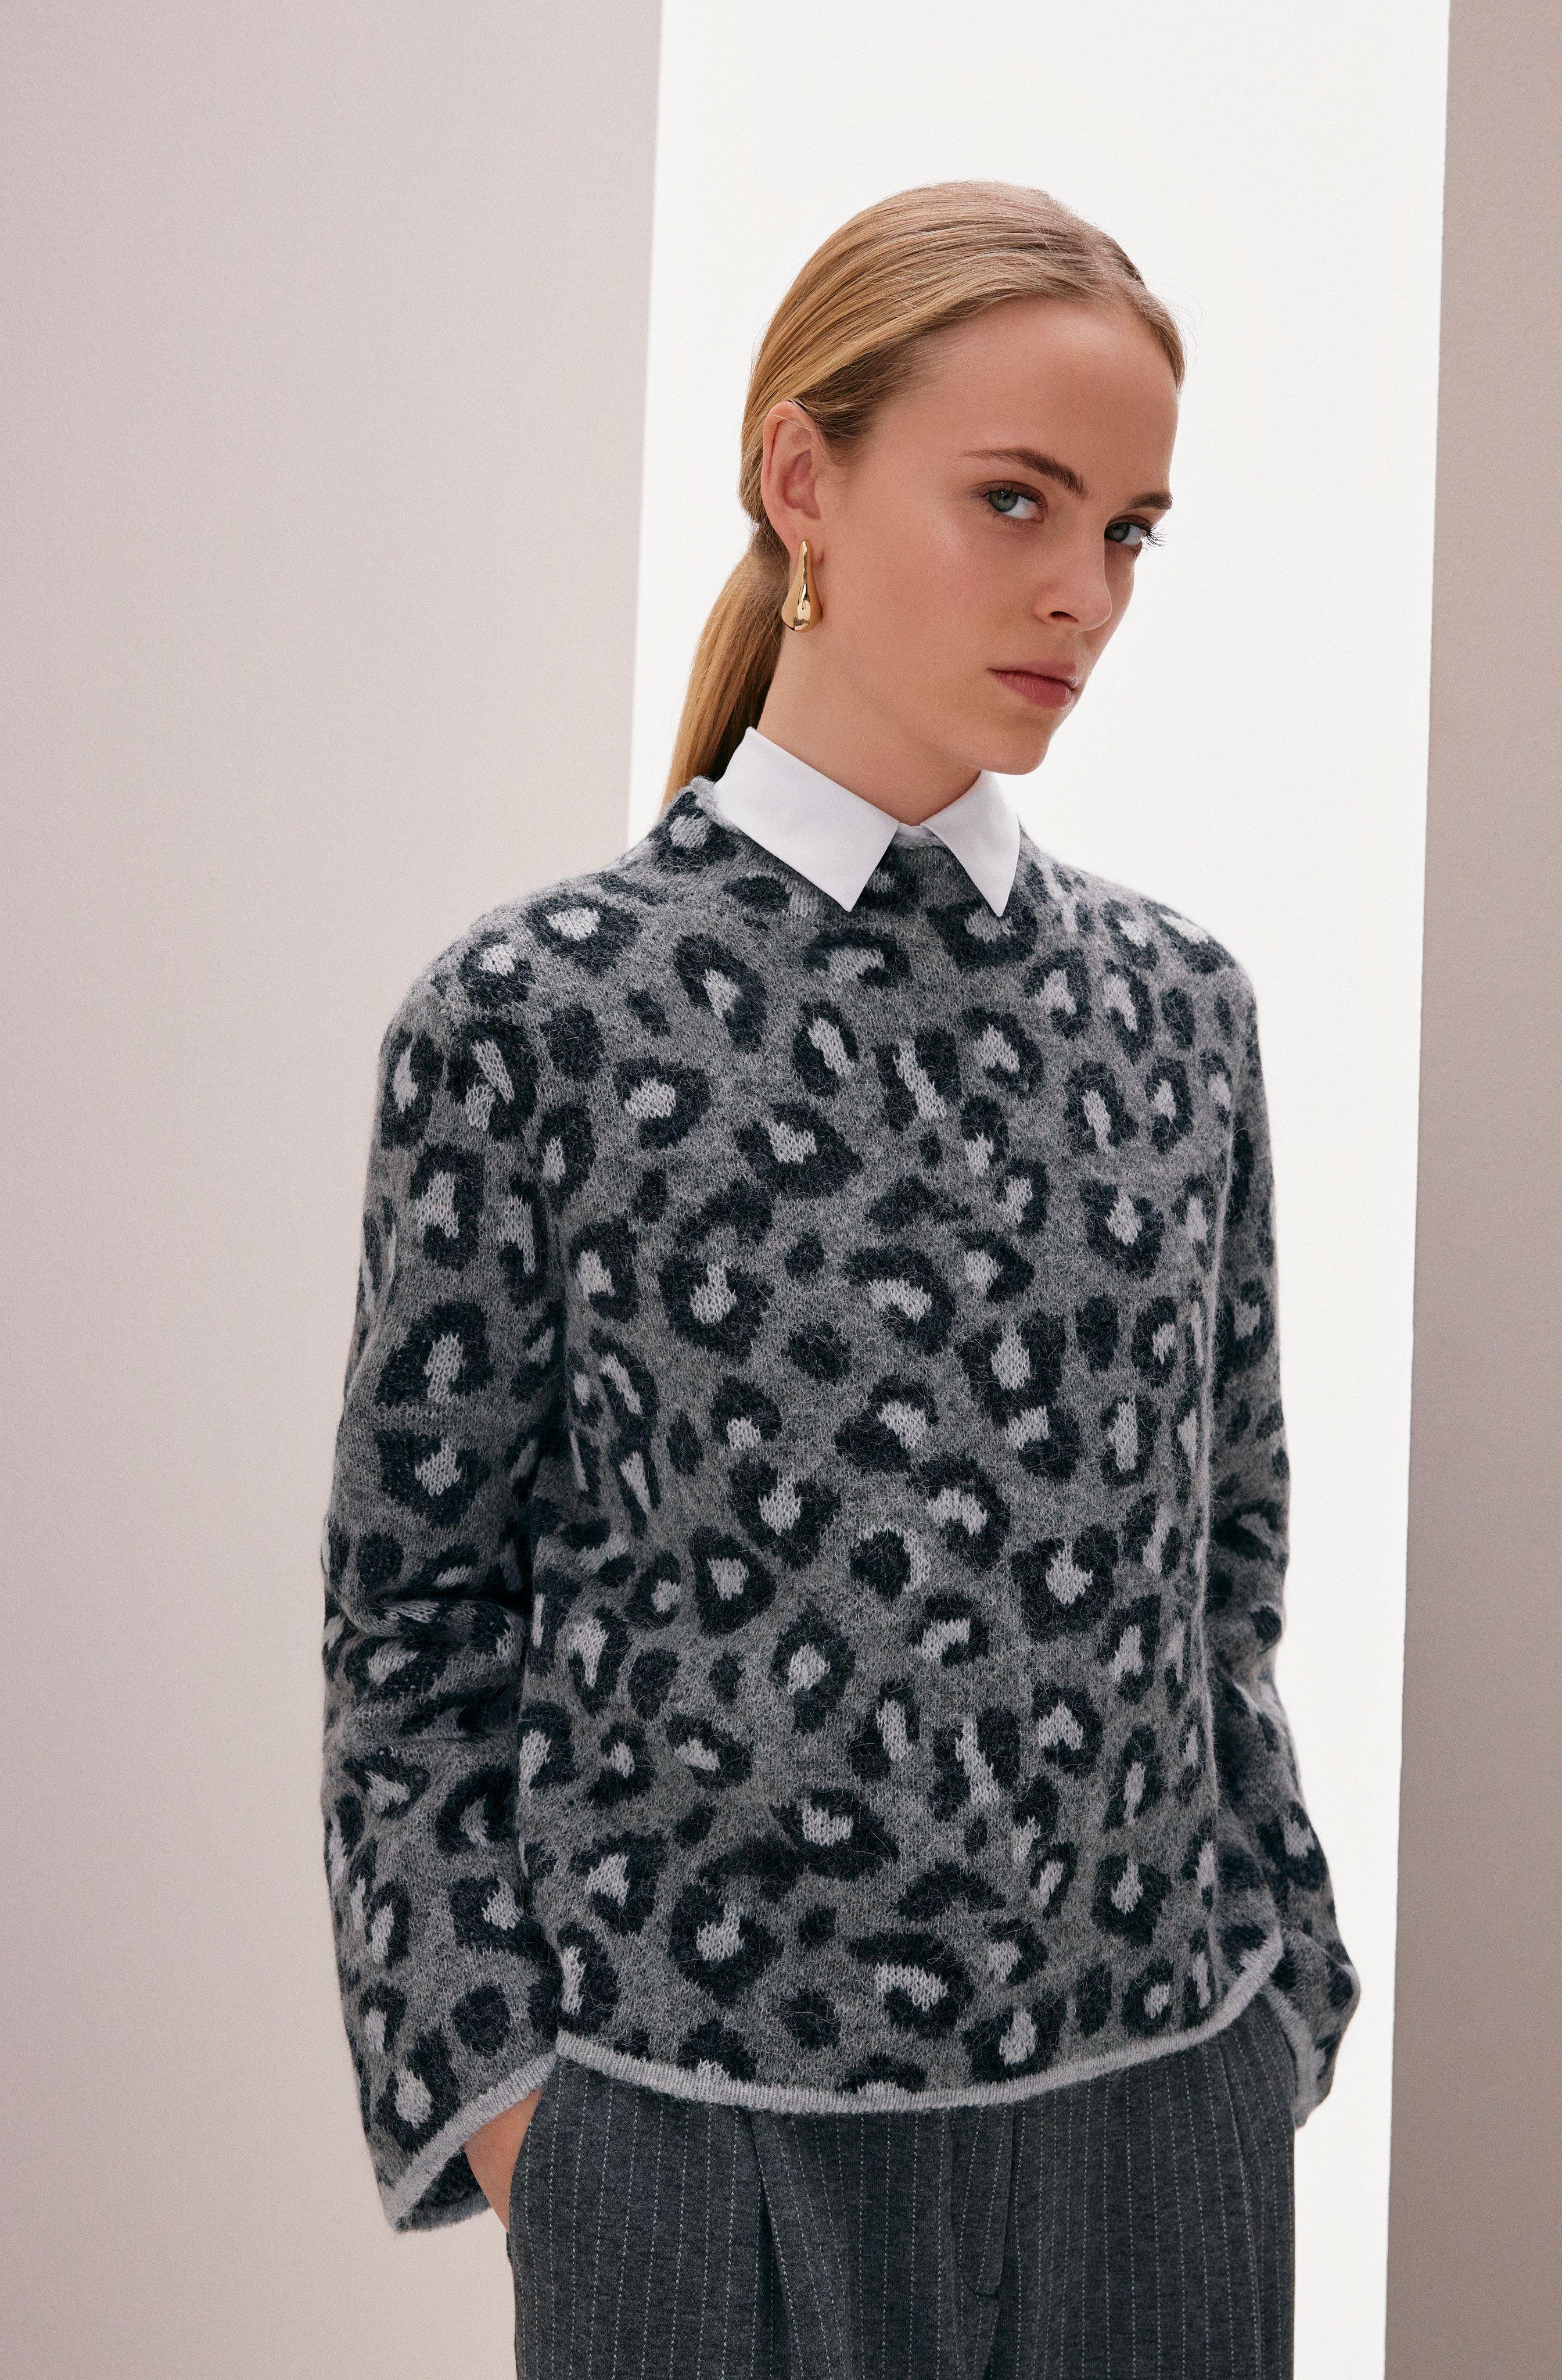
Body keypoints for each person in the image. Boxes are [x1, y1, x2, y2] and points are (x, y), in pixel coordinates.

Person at [319, 179, 1359, 2379]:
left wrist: (1281, 1992)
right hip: (696, 2160)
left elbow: (1227, 1575)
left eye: (1132, 533)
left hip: (1159, 2130)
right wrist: (519, 2110)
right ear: (804, 480)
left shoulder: (1182, 1011)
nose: (1085, 594)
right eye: (1017, 501)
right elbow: (412, 1634)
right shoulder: (536, 1017)